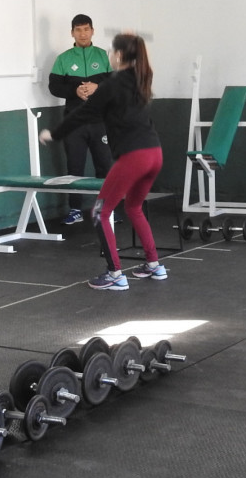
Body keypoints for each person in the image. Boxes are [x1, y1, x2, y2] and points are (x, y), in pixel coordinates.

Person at [40, 32, 165, 290]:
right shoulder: (141, 78)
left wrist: (54, 134)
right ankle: (154, 265)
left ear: (118, 55)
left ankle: (115, 274)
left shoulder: (113, 84)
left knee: (100, 212)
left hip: (134, 157)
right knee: (133, 207)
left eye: (112, 51)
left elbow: (82, 114)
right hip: (154, 154)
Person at [47, 14, 112, 225]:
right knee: (75, 167)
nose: (83, 34)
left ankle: (106, 210)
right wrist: (75, 91)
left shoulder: (104, 56)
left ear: (93, 31)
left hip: (101, 121)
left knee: (104, 165)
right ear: (72, 33)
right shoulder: (63, 59)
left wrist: (97, 87)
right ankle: (75, 210)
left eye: (86, 29)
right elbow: (54, 86)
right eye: (78, 30)